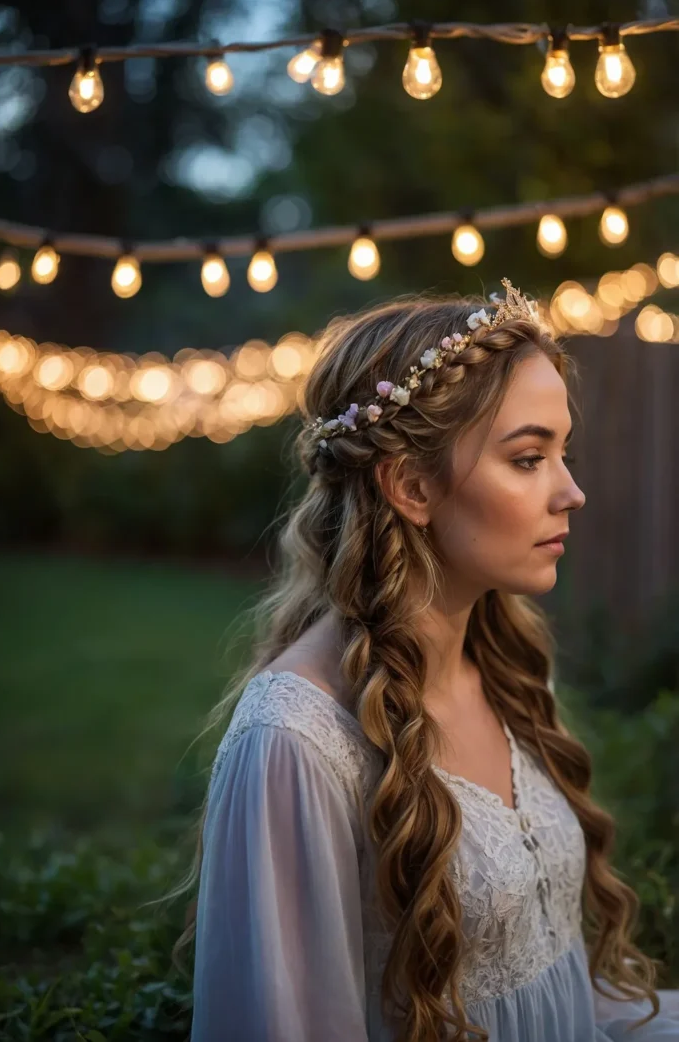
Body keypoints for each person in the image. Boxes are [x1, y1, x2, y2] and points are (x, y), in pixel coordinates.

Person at [182, 282, 679, 1040]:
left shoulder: (510, 670)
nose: (572, 492)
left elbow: (556, 982)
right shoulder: (296, 742)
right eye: (527, 458)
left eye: (562, 454)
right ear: (412, 486)